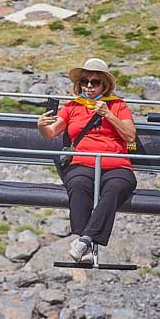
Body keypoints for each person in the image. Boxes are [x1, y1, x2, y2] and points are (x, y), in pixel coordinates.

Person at [37, 57, 137, 262]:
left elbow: (130, 136)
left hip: (115, 163)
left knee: (116, 187)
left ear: (104, 85)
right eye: (85, 82)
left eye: (95, 82)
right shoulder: (73, 106)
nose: (89, 86)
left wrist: (108, 115)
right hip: (83, 161)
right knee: (78, 183)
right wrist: (41, 125)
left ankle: (84, 240)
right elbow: (51, 132)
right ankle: (87, 245)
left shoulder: (118, 105)